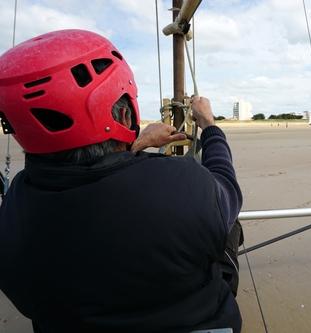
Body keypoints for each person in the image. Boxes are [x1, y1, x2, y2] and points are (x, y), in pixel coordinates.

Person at [0, 29, 243, 333]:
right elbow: (227, 186)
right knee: (229, 225)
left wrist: (137, 143)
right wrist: (209, 124)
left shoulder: (14, 210)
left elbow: (88, 174)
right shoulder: (181, 182)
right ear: (125, 113)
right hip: (200, 323)